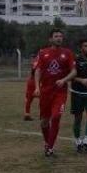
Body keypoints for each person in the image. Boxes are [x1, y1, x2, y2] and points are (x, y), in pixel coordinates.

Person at [33, 29, 76, 157]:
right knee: (44, 122)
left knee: (56, 116)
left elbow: (74, 72)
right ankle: (47, 143)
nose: (59, 38)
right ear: (50, 39)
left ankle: (50, 148)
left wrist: (64, 80)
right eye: (56, 36)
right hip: (45, 92)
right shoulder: (43, 53)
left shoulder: (67, 53)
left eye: (60, 36)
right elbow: (38, 70)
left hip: (60, 92)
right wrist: (37, 87)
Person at [23, 54, 39, 121]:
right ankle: (43, 114)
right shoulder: (40, 61)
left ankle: (27, 114)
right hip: (37, 81)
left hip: (31, 80)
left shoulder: (35, 61)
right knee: (44, 98)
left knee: (29, 98)